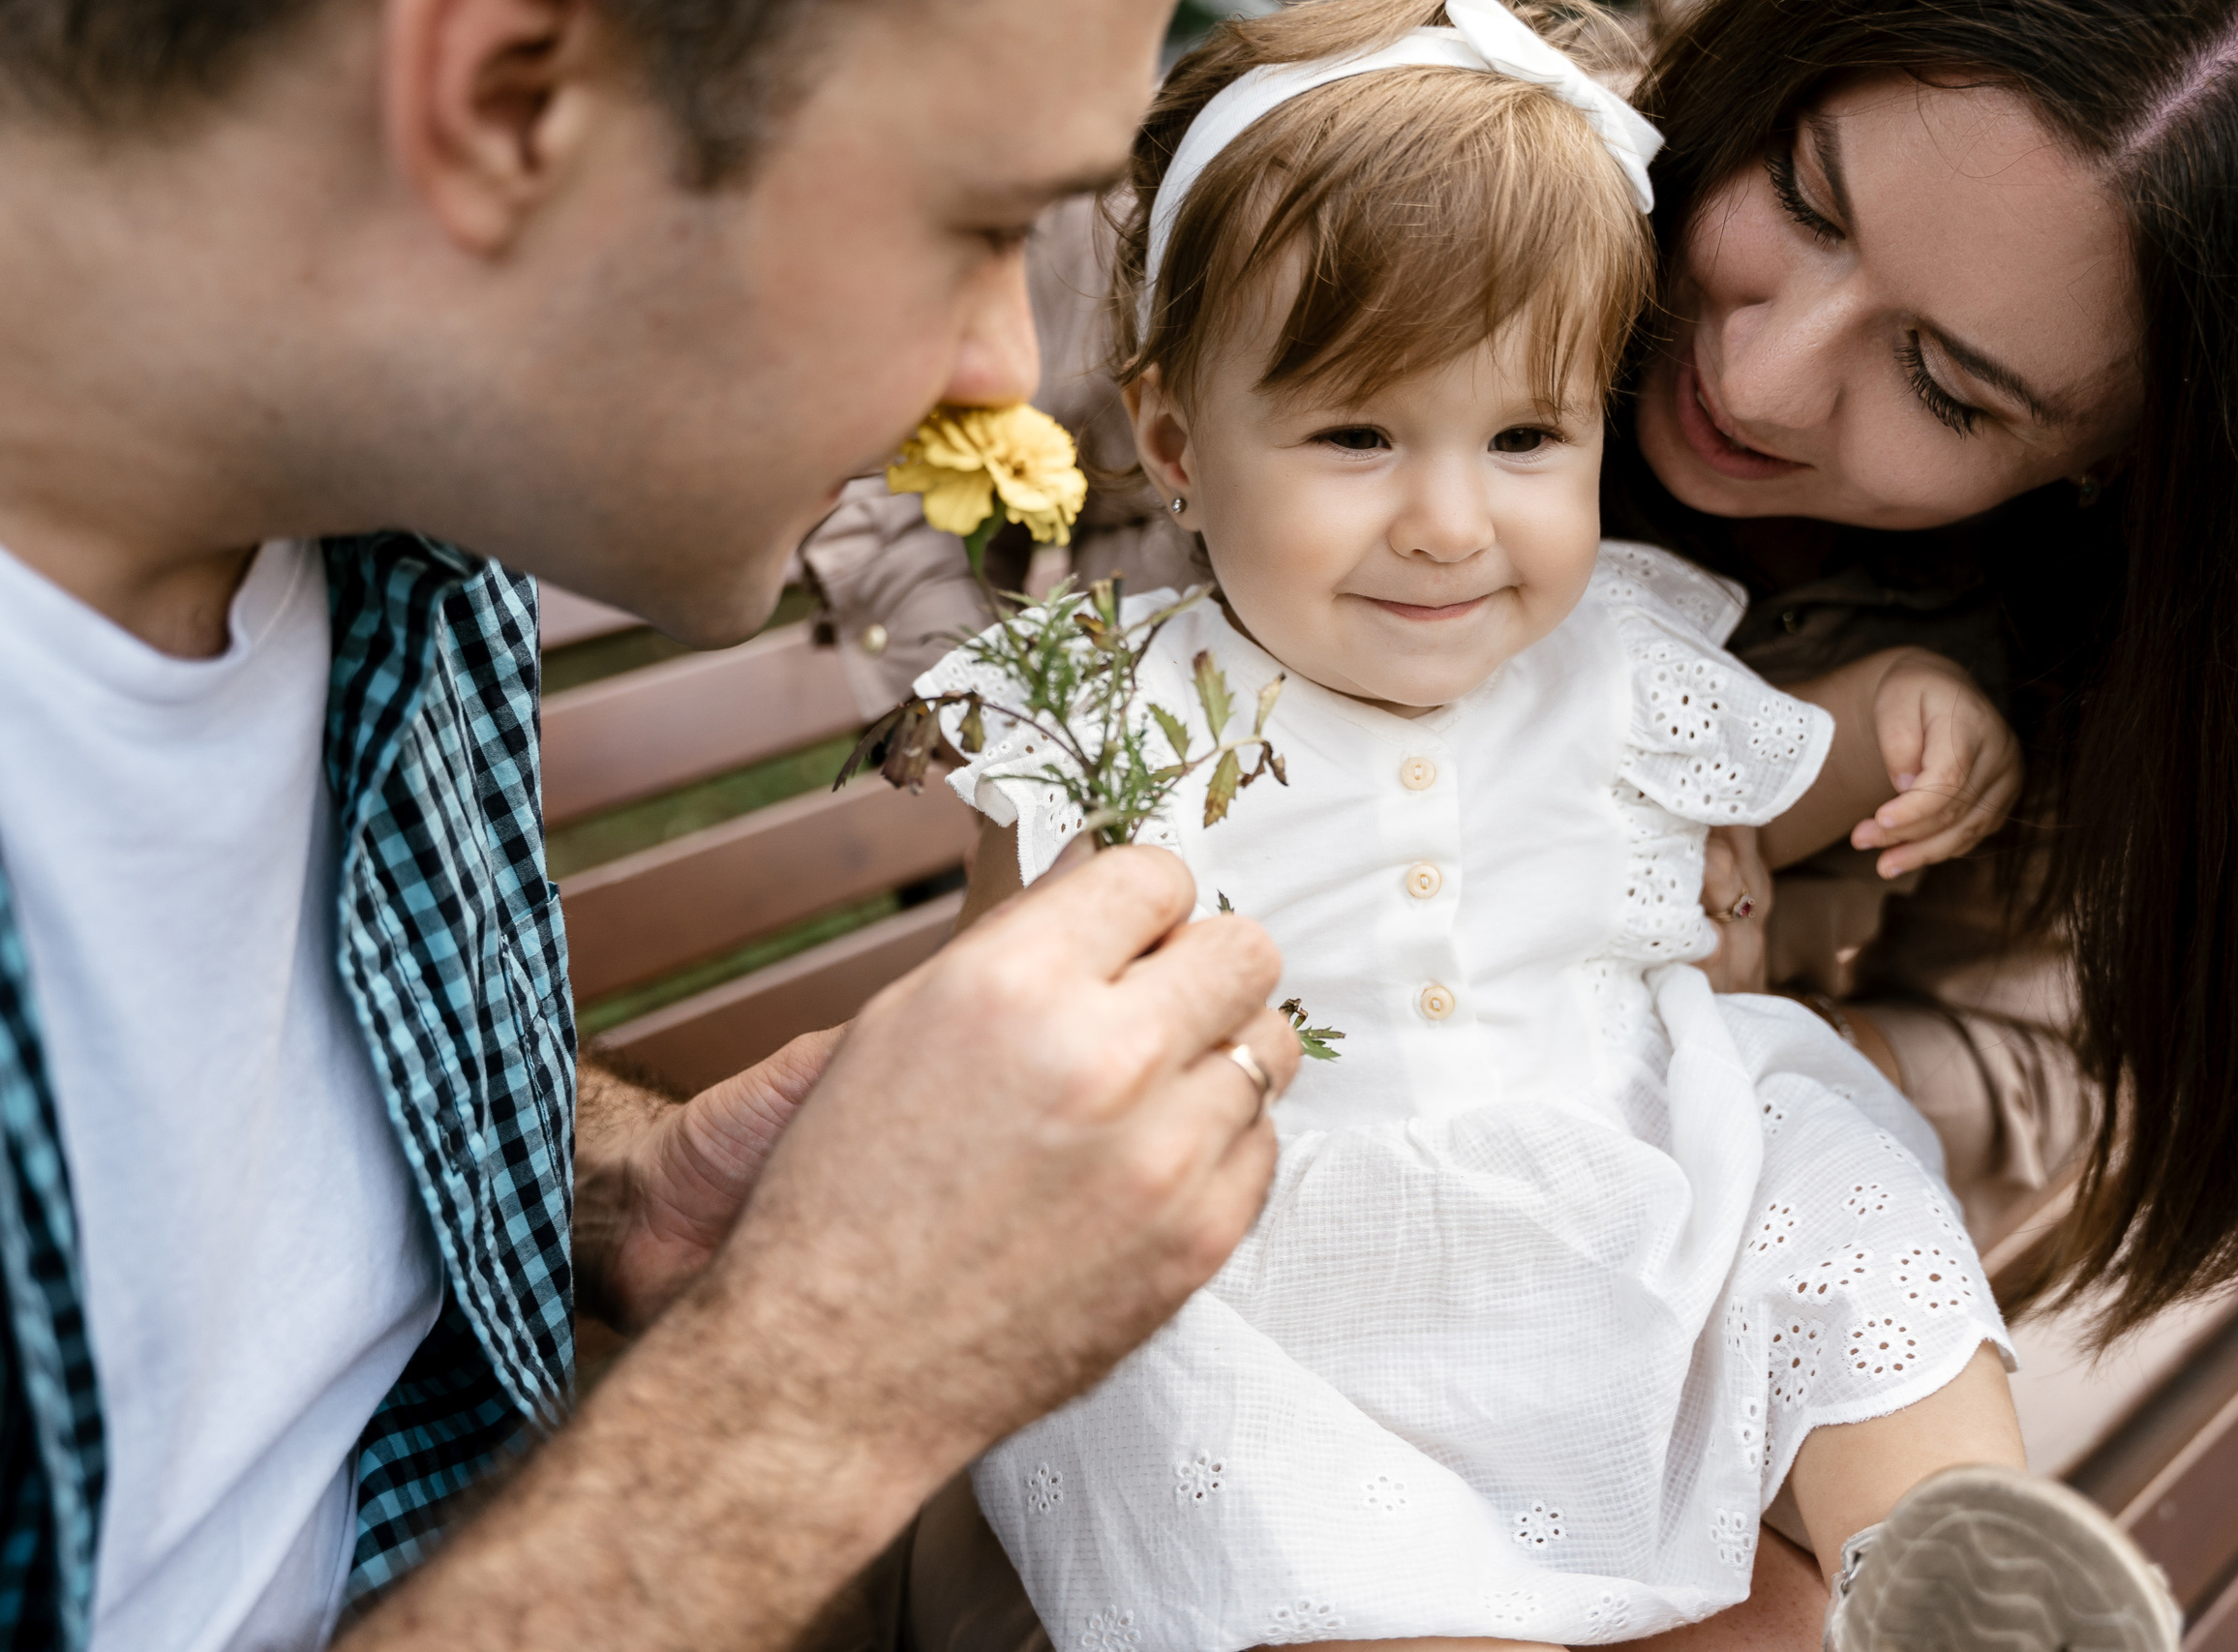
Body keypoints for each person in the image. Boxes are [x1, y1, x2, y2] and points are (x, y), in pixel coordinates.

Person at [0, 1, 1310, 1649]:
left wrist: (628, 1192)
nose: (998, 373)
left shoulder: (388, 506)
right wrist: (819, 1379)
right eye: (983, 228)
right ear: (509, 102)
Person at [912, 4, 2182, 1648]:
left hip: (1620, 1194)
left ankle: (1935, 1550)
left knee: (1824, 1177)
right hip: (1273, 1261)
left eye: (1525, 438)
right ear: (1172, 444)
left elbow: (1793, 782)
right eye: (1359, 436)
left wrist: (1904, 724)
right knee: (1194, 1417)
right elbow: (1001, 1025)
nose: (1449, 523)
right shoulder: (1104, 710)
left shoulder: (1619, 659)